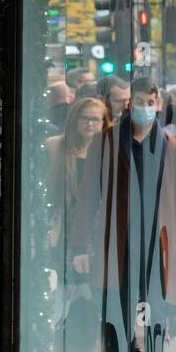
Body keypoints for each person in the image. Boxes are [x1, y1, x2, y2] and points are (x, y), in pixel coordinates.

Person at [73, 78, 176, 352]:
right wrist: (79, 246)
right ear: (130, 104)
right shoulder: (107, 141)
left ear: (158, 105)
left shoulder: (170, 146)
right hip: (118, 249)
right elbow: (88, 196)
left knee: (154, 323)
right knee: (117, 322)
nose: (143, 106)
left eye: (150, 101)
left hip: (158, 253)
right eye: (138, 101)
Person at [44, 98, 106, 286]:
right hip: (63, 221)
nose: (90, 124)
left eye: (96, 120)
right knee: (63, 279)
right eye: (84, 118)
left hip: (96, 224)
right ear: (74, 120)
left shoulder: (110, 150)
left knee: (91, 282)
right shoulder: (55, 146)